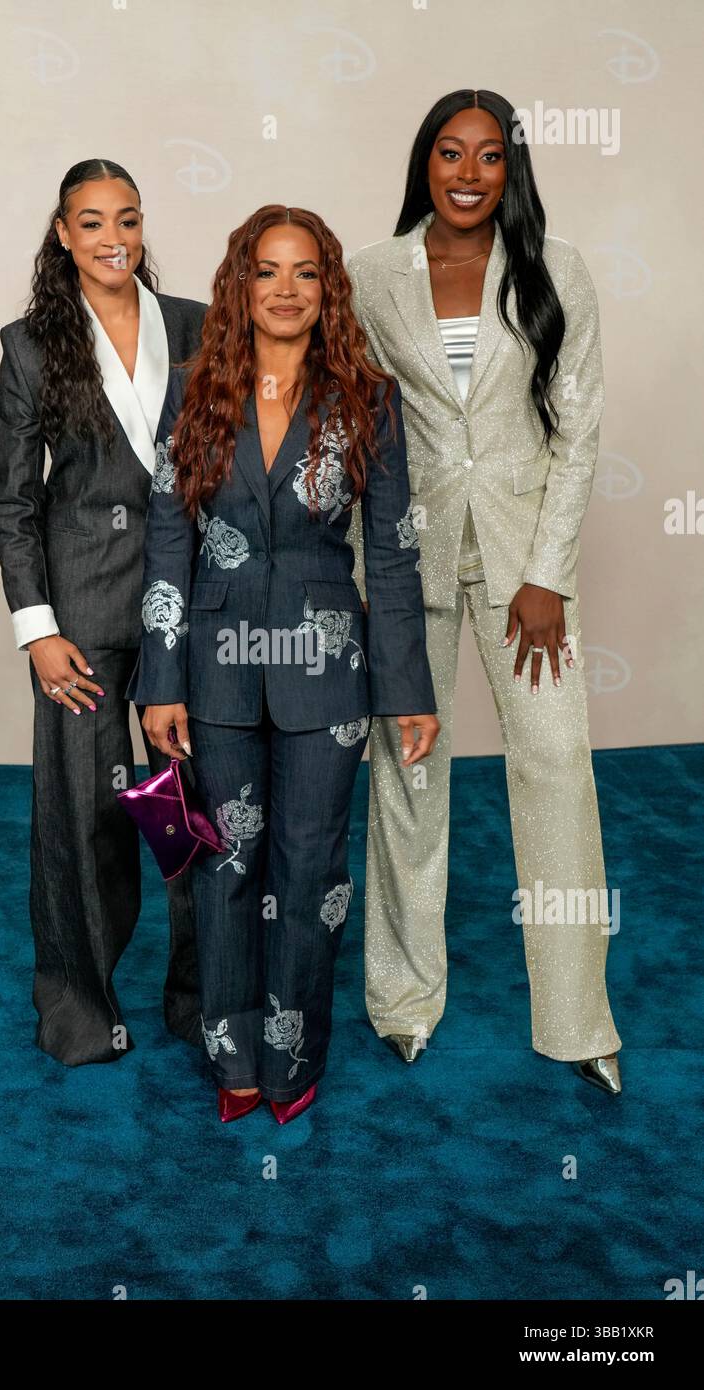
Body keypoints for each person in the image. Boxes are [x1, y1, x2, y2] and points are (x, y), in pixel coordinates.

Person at [126, 204, 439, 1124]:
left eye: (306, 273)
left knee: (310, 867)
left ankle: (293, 1057)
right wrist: (161, 680)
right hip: (214, 670)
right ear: (242, 283)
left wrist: (406, 689)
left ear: (328, 287)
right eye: (269, 271)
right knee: (224, 865)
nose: (287, 290)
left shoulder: (367, 396)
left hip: (326, 670)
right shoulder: (196, 390)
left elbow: (392, 551)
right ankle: (233, 1060)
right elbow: (165, 543)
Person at [348, 90, 623, 1093]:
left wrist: (544, 571)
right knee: (407, 771)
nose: (467, 175)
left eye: (488, 158)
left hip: (523, 560)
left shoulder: (556, 269)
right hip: (404, 554)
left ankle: (576, 1018)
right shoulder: (371, 275)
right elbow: (356, 425)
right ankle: (403, 999)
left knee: (552, 763)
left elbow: (577, 422)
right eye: (447, 155)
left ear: (511, 169)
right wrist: (357, 573)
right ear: (422, 162)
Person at [0, 158, 206, 1066]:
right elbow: (13, 500)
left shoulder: (194, 326)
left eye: (128, 218)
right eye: (91, 222)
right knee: (85, 816)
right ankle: (81, 1008)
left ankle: (202, 1003)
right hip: (77, 618)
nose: (113, 237)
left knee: (196, 811)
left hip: (187, 608)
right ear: (63, 235)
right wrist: (37, 631)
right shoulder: (32, 343)